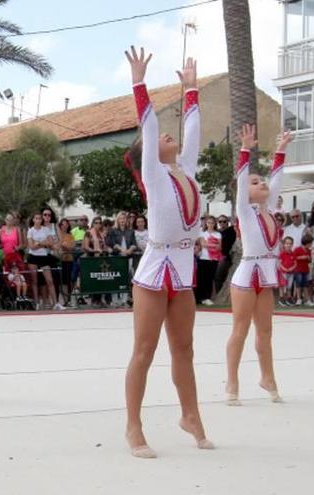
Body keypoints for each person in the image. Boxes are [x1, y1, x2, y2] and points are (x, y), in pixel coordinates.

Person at [124, 49, 212, 457]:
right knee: (145, 351)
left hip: (183, 268)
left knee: (185, 349)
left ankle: (190, 415)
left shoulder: (187, 172)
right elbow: (150, 121)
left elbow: (192, 132)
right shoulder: (155, 175)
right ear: (148, 154)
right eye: (160, 137)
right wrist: (139, 84)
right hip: (155, 269)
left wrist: (191, 89)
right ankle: (133, 427)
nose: (168, 136)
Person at [226, 125, 293, 406]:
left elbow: (276, 179)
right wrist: (245, 149)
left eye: (261, 181)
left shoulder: (271, 212)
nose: (262, 183)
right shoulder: (244, 210)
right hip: (246, 275)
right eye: (255, 182)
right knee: (240, 330)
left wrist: (281, 149)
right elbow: (242, 183)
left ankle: (268, 377)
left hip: (266, 276)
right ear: (245, 192)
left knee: (266, 332)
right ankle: (232, 382)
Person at [27, 212, 60, 310]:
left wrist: (39, 243)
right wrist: (43, 243)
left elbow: (50, 243)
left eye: (40, 218)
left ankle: (55, 303)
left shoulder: (46, 230)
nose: (38, 220)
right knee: (35, 281)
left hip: (44, 256)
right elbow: (31, 247)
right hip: (33, 257)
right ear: (33, 220)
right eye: (36, 218)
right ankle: (37, 303)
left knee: (49, 280)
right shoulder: (30, 231)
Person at [196, 216, 222, 306]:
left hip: (214, 259)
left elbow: (219, 247)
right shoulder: (203, 233)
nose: (210, 224)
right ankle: (199, 297)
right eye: (208, 222)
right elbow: (203, 244)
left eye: (212, 222)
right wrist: (214, 245)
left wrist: (210, 245)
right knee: (201, 279)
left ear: (215, 224)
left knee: (210, 279)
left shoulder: (218, 234)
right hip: (204, 258)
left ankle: (207, 297)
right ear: (206, 224)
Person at [213, 215, 237, 294]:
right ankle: (218, 294)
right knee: (217, 277)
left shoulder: (231, 231)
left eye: (224, 221)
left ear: (227, 222)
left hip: (227, 257)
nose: (222, 223)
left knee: (222, 276)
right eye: (220, 221)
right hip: (215, 257)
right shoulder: (216, 232)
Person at [294, 235, 314, 306]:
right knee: (298, 285)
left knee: (306, 285)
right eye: (310, 243)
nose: (311, 245)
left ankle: (307, 300)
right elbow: (294, 258)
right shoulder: (297, 249)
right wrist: (302, 257)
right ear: (307, 243)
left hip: (306, 270)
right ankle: (299, 299)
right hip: (298, 270)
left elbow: (310, 261)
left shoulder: (309, 250)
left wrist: (309, 258)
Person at [278, 237, 297, 305]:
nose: (288, 245)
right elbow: (279, 263)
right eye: (287, 243)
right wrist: (284, 268)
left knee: (289, 286)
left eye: (290, 243)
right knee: (283, 285)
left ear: (292, 244)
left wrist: (292, 268)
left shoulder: (293, 253)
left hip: (291, 273)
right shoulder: (282, 253)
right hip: (284, 273)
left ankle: (288, 298)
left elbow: (295, 263)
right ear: (284, 244)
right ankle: (281, 298)